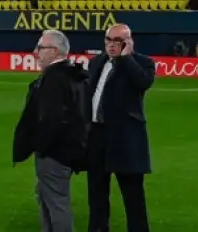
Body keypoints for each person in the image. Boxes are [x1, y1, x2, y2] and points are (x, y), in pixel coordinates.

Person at [13, 30, 88, 232]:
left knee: (55, 205)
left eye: (40, 48)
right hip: (69, 150)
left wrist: (42, 148)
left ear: (54, 51)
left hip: (54, 154)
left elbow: (51, 119)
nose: (36, 52)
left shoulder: (54, 79)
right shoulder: (74, 75)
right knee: (49, 202)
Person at [85, 23, 154, 232]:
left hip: (125, 138)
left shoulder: (142, 63)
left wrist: (126, 58)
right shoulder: (96, 62)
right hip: (97, 135)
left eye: (118, 41)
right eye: (109, 40)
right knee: (96, 192)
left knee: (132, 195)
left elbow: (143, 83)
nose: (112, 45)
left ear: (128, 42)